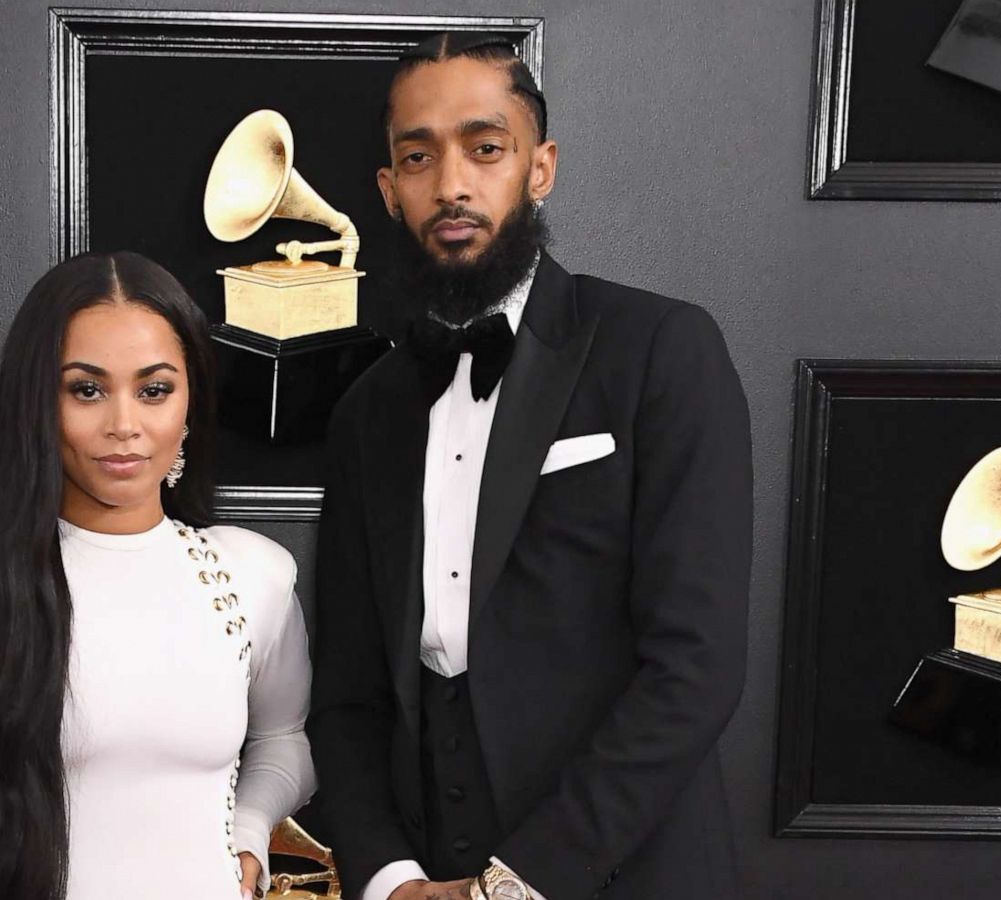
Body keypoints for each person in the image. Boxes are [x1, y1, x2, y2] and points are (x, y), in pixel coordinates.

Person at [307, 33, 752, 900]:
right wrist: (391, 878)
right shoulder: (368, 411)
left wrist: (519, 883)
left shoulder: (660, 349)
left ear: (539, 167)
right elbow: (348, 695)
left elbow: (696, 668)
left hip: (629, 873)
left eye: (486, 147)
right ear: (388, 190)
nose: (453, 184)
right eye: (418, 156)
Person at [0, 250, 315, 900]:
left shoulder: (250, 572)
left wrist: (250, 826)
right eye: (87, 389)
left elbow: (286, 740)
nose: (124, 426)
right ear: (38, 401)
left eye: (154, 390)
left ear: (191, 400)